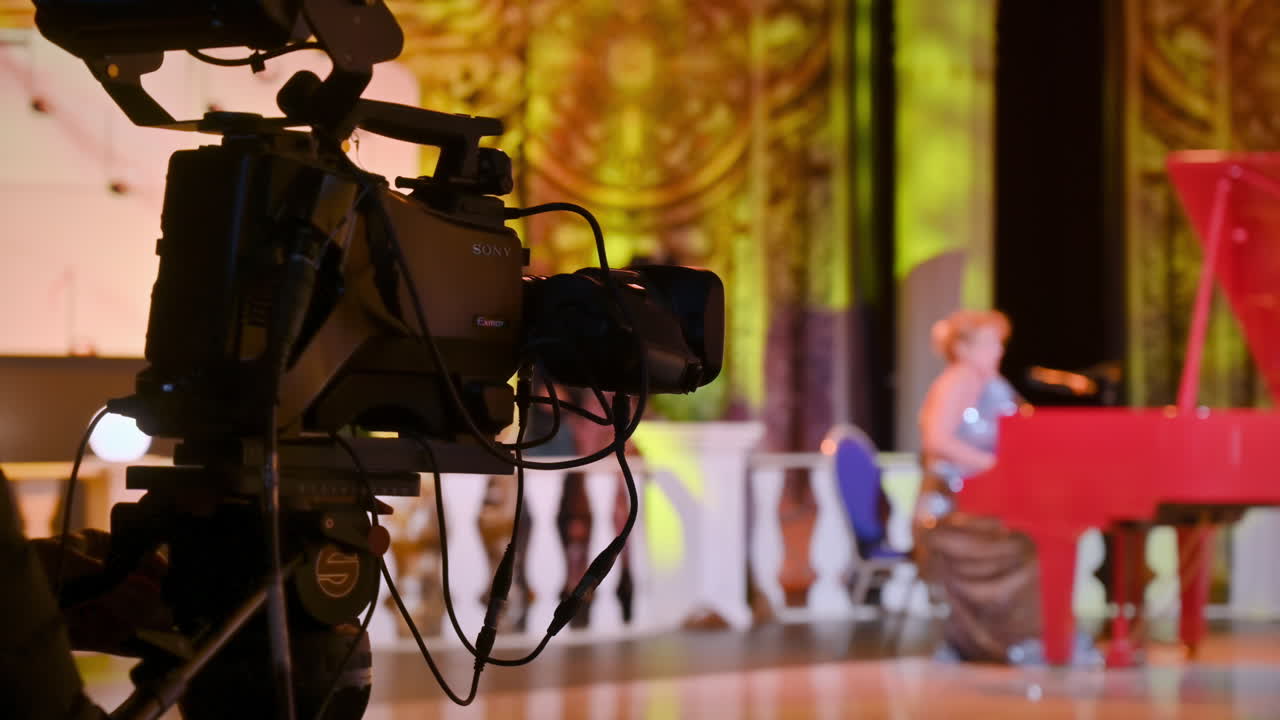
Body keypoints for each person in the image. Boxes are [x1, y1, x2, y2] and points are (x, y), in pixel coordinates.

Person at [914, 309, 1097, 665]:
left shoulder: (988, 382)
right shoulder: (961, 379)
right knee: (1031, 540)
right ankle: (1017, 639)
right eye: (990, 343)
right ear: (964, 348)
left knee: (1042, 534)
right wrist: (994, 467)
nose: (998, 350)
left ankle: (1029, 637)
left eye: (999, 343)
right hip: (952, 513)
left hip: (976, 504)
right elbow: (936, 440)